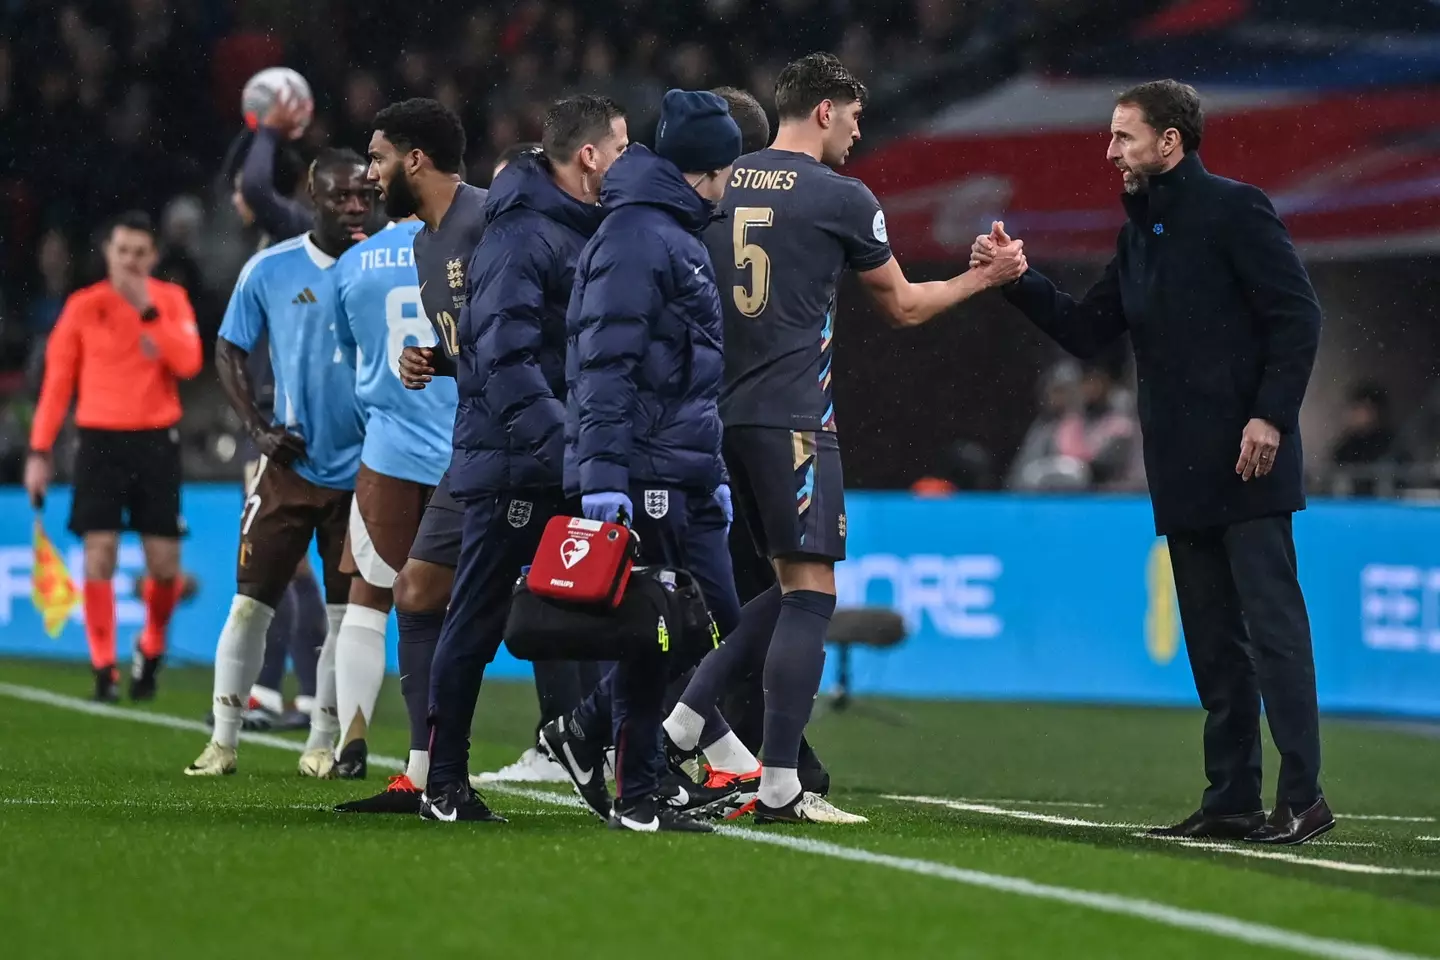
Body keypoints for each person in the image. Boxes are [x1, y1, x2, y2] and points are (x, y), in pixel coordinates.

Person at [661, 53, 1024, 824]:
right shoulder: (841, 197)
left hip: (711, 418)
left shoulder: (719, 181)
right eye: (854, 118)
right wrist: (982, 280)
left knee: (773, 591)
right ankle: (781, 784)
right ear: (823, 110)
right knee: (811, 595)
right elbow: (904, 308)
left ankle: (688, 719)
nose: (859, 134)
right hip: (793, 417)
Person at [973, 79, 1330, 845]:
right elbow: (1086, 328)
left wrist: (1270, 414)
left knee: (1273, 633)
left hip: (1249, 459)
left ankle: (1303, 795)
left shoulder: (1236, 209)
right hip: (1181, 468)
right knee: (1213, 642)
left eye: (1123, 137)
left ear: (1170, 142)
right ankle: (1232, 798)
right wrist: (1017, 279)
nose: (1110, 152)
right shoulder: (1140, 236)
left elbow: (1297, 314)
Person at [537, 88, 746, 834]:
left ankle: (589, 733)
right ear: (708, 168)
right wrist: (602, 479)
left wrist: (710, 471)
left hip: (679, 467)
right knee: (658, 630)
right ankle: (641, 791)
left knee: (706, 622)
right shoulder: (637, 237)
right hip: (647, 471)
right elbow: (604, 368)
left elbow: (682, 376)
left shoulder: (668, 233)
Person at [418, 94, 629, 823]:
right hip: (516, 460)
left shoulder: (578, 227)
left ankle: (612, 761)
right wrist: (569, 443)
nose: (629, 161)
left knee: (615, 612)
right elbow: (502, 360)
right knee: (474, 618)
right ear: (589, 157)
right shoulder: (518, 235)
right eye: (622, 148)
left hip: (562, 454)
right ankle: (443, 784)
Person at [185, 149, 373, 777]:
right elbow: (228, 349)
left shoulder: (386, 264)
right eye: (340, 196)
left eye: (361, 194)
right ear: (312, 198)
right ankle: (224, 740)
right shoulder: (270, 268)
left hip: (368, 475)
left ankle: (321, 741)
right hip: (291, 469)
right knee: (248, 606)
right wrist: (259, 428)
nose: (353, 205)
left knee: (347, 619)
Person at [365, 98, 489, 798]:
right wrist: (435, 361)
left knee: (561, 612)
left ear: (415, 159)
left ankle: (676, 737)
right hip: (474, 441)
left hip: (528, 442)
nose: (371, 174)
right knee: (415, 591)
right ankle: (422, 771)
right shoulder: (423, 243)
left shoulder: (492, 219)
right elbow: (476, 341)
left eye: (379, 158)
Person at [25, 211, 202, 702]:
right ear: (108, 252)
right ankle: (104, 666)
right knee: (98, 553)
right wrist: (39, 451)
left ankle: (151, 644)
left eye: (140, 253)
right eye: (122, 251)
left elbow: (188, 362)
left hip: (155, 441)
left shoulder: (169, 301)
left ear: (153, 257)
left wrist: (149, 312)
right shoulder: (85, 306)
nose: (129, 261)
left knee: (164, 565)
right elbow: (57, 384)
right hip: (99, 440)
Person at [324, 213, 457, 802]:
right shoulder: (471, 240)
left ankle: (351, 740)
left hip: (389, 453)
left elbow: (353, 359)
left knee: (371, 595)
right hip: (465, 447)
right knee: (463, 603)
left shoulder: (354, 262)